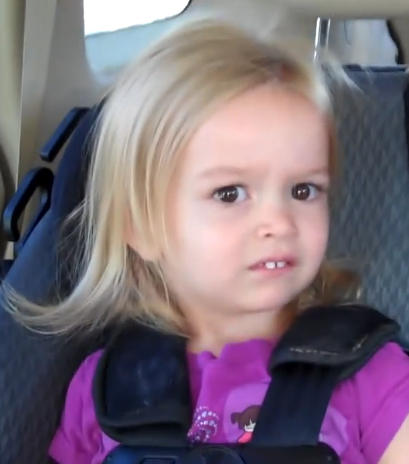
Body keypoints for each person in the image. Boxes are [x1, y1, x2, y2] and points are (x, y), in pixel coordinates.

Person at [8, 17, 409, 464]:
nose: (279, 222)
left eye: (303, 190)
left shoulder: (374, 373)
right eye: (229, 193)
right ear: (142, 228)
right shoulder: (105, 386)